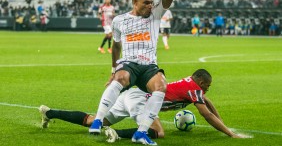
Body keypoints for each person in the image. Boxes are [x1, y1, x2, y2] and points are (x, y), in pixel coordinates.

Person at [89, 0, 176, 145]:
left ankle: (141, 133)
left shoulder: (156, 13)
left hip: (149, 67)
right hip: (129, 63)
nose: (150, 6)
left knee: (160, 86)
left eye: (151, 2)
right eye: (146, 2)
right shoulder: (120, 20)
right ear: (134, 2)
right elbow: (116, 47)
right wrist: (113, 70)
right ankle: (98, 120)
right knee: (119, 78)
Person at [39, 69, 247, 145]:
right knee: (158, 132)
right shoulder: (194, 88)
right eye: (207, 86)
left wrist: (224, 122)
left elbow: (208, 104)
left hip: (131, 95)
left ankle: (49, 112)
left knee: (93, 120)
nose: (207, 90)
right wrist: (229, 133)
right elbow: (206, 114)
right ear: (200, 82)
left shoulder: (191, 86)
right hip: (141, 100)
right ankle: (117, 134)